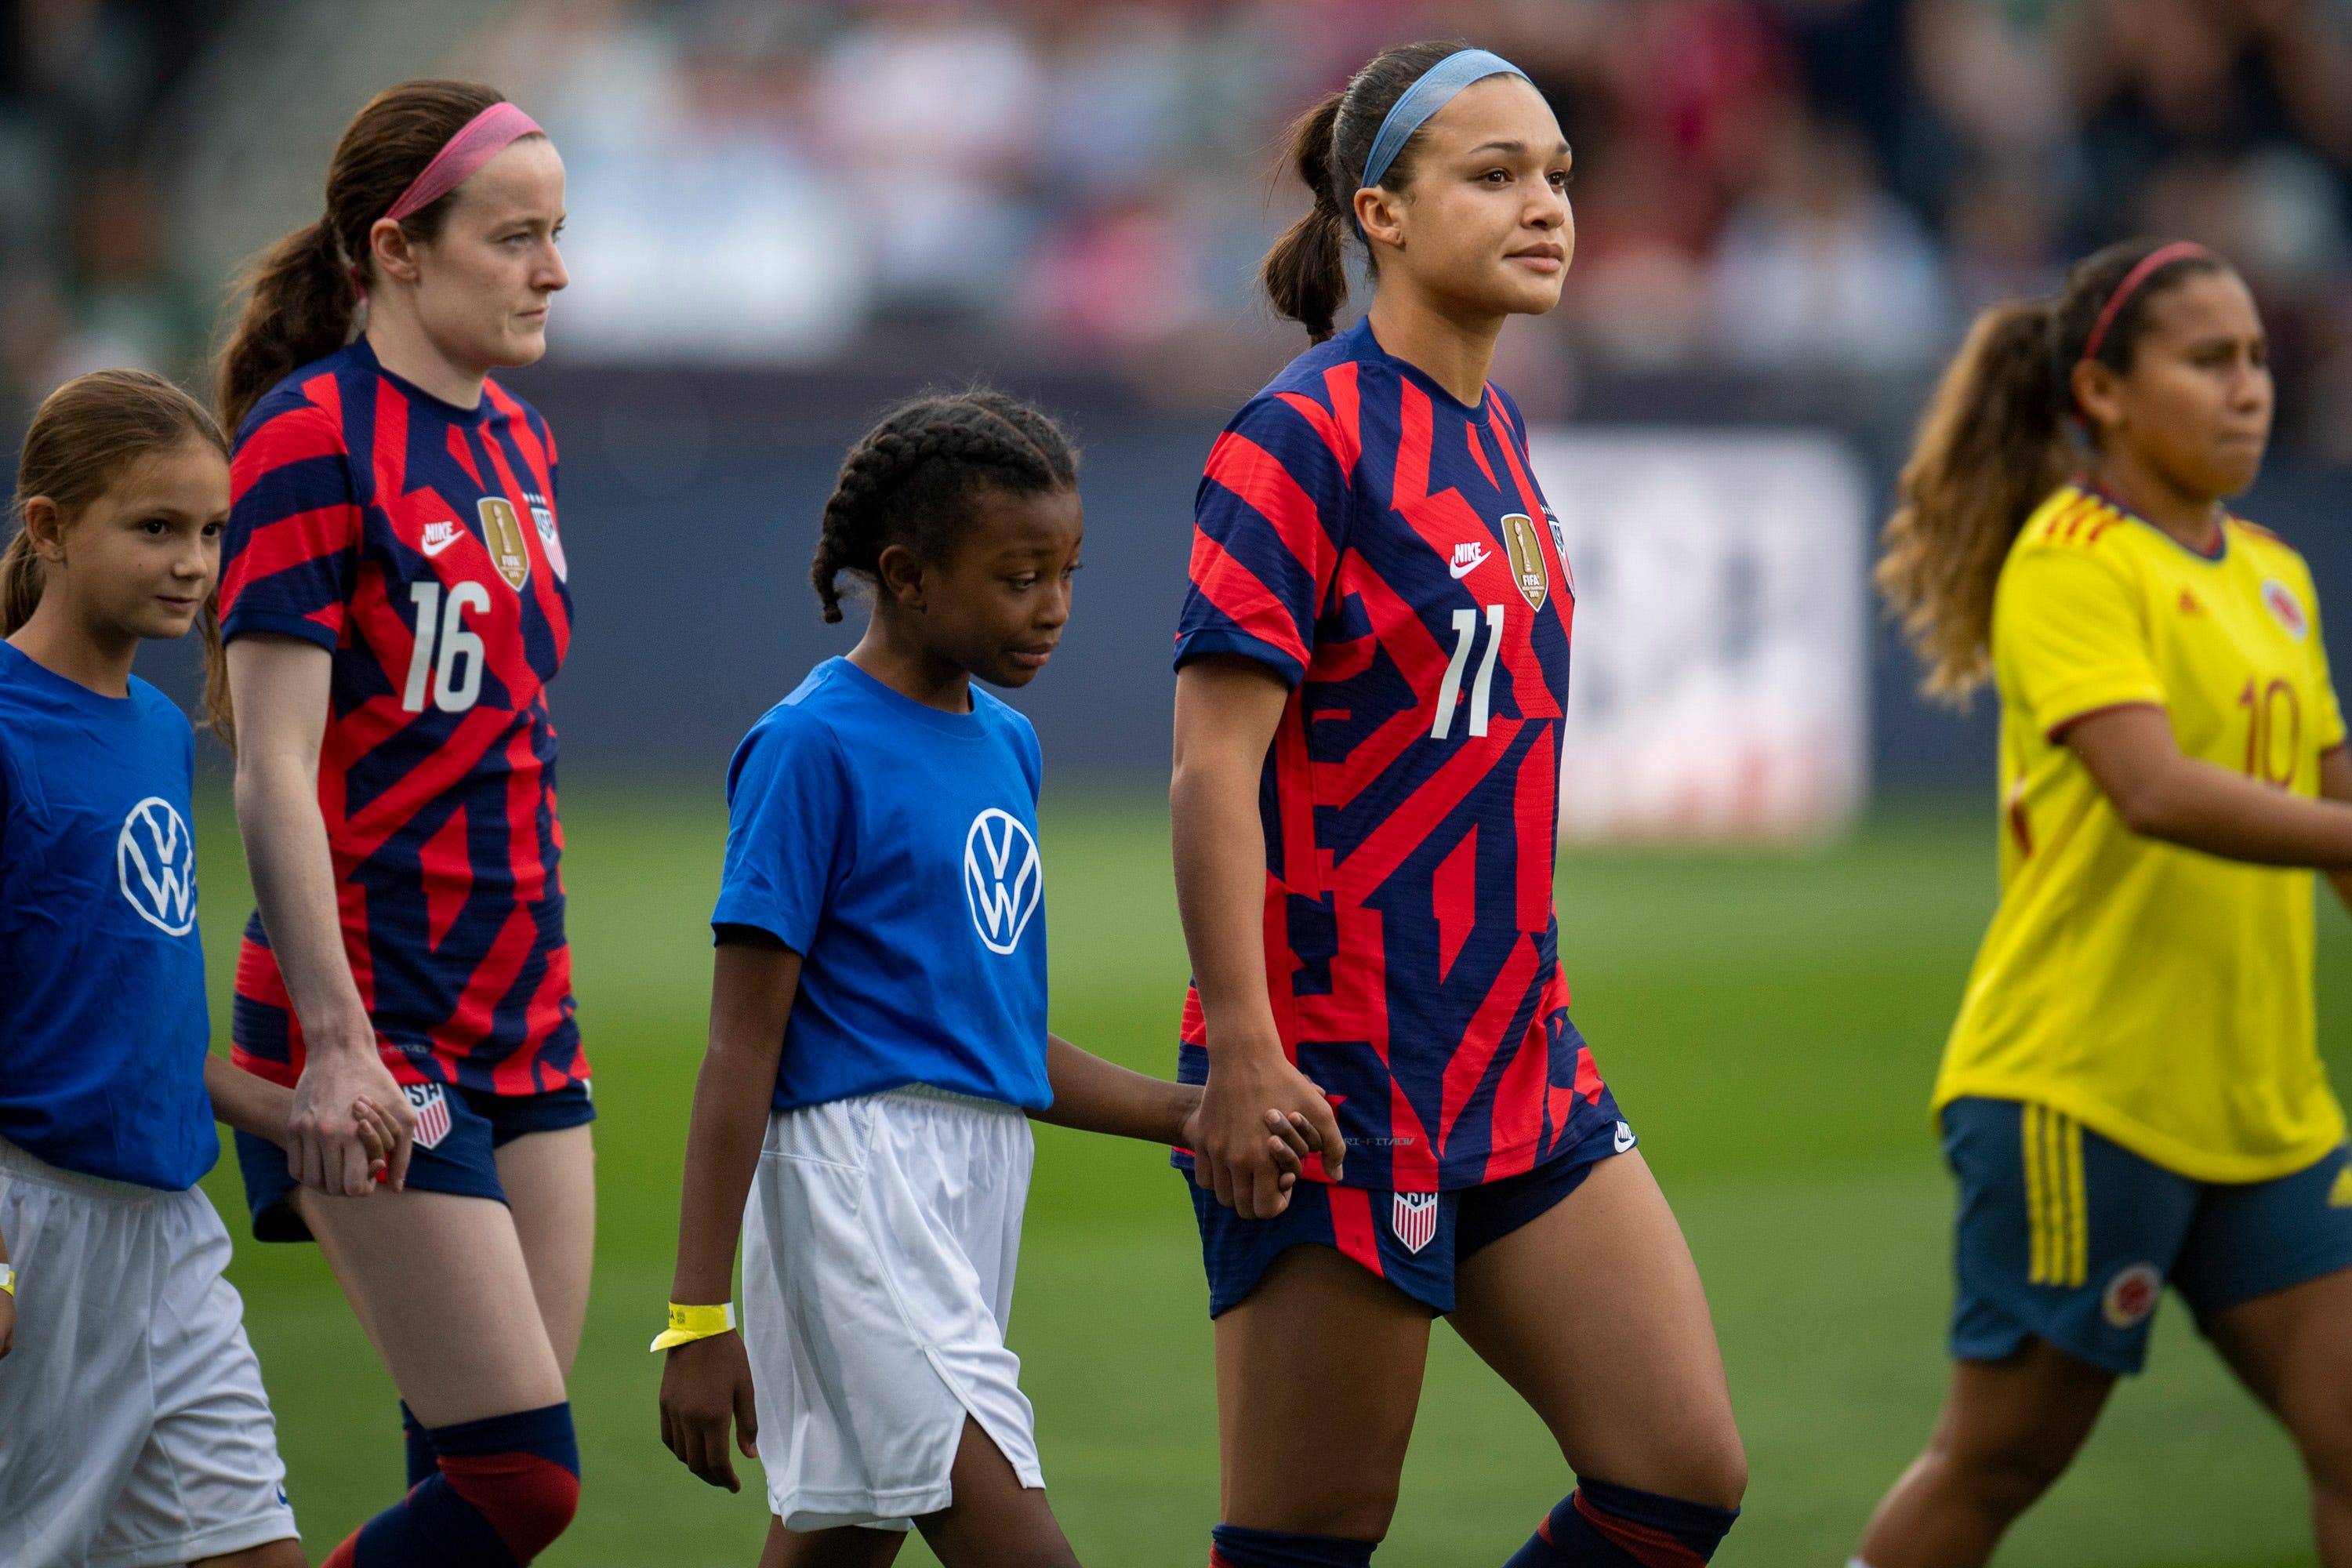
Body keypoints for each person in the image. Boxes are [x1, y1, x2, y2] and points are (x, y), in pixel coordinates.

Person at [1168, 40, 1748, 1568]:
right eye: (1494, 176)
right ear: (1382, 215)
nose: (1546, 204)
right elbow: (1212, 769)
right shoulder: (1303, 439)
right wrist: (1242, 1047)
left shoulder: (1497, 435)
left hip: (1520, 1051)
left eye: (1557, 174)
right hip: (1340, 1065)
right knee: (1313, 1534)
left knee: (1679, 1476)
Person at [655, 390, 1317, 1568]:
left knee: (843, 1536)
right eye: (1019, 577)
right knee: (1016, 1541)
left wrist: (1193, 1110)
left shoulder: (1008, 745)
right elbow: (738, 1049)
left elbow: (992, 1039)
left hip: (971, 1190)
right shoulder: (809, 748)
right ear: (907, 575)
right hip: (853, 1185)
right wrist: (698, 1320)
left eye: (1066, 570)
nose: (1055, 607)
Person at [1859, 238, 2352, 1566]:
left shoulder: (2278, 579)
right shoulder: (2069, 561)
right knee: (1996, 1465)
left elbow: (2338, 832)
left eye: (2257, 359)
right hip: (2086, 1102)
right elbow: (2153, 789)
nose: (2249, 389)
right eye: (2208, 361)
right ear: (2106, 395)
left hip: (2265, 1112)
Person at [213, 79, 590, 1567]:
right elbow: (271, 764)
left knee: (470, 1469)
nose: (553, 270)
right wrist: (334, 1038)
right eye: (515, 238)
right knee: (525, 1485)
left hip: (524, 1008)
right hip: (378, 1011)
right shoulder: (311, 440)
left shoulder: (524, 447)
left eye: (558, 235)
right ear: (397, 250)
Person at [0, 368, 394, 1568]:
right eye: (156, 527)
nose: (193, 563)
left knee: (256, 1545)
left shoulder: (159, 732)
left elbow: (128, 1005)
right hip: (32, 1229)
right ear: (51, 529)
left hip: (169, 1237)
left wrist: (275, 1105)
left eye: (213, 531)